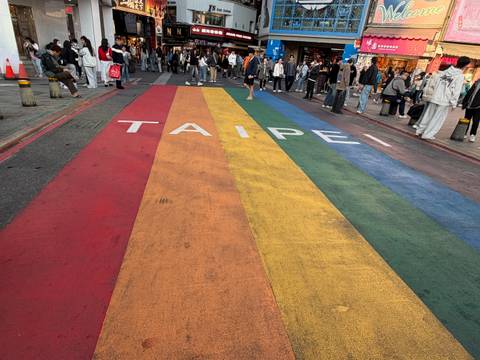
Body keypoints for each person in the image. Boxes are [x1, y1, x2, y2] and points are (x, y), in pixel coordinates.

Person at [415, 56, 471, 140]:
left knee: (428, 114)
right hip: (445, 100)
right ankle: (427, 134)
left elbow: (436, 82)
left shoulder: (445, 71)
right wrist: (453, 103)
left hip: (435, 96)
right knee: (437, 118)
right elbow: (456, 91)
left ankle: (420, 131)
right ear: (465, 65)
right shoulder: (459, 76)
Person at [462, 78, 480, 142]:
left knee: (475, 121)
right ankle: (464, 132)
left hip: (478, 107)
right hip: (469, 105)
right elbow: (469, 92)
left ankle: (472, 135)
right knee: (467, 120)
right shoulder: (476, 82)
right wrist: (464, 102)